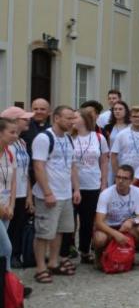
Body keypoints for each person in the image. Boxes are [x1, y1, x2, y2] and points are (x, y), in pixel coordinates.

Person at [31, 105, 80, 283]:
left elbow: (72, 166)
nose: (72, 121)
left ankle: (53, 262)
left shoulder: (68, 138)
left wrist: (76, 189)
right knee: (44, 232)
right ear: (57, 118)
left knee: (59, 230)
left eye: (73, 118)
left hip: (65, 194)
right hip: (49, 194)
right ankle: (40, 268)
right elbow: (38, 166)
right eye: (68, 118)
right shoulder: (44, 138)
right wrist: (47, 193)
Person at [70, 108, 109, 264]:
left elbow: (104, 161)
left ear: (85, 119)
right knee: (70, 221)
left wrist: (104, 183)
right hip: (71, 185)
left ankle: (85, 251)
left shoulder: (99, 138)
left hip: (92, 184)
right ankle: (68, 249)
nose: (72, 120)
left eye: (75, 117)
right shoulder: (69, 138)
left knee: (87, 221)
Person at [92, 165, 139, 268]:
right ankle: (99, 257)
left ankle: (129, 253)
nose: (120, 181)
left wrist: (131, 221)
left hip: (125, 227)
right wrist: (115, 234)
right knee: (100, 238)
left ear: (131, 180)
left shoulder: (138, 192)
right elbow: (99, 222)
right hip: (108, 228)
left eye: (125, 178)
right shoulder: (106, 194)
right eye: (118, 177)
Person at [2, 107, 35, 268]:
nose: (28, 121)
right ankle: (10, 259)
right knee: (8, 233)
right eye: (24, 118)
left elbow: (24, 171)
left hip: (20, 193)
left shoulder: (21, 142)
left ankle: (14, 256)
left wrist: (29, 194)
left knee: (18, 227)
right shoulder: (8, 146)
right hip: (7, 197)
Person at [110, 106, 139, 179]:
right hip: (124, 175)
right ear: (130, 118)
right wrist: (117, 174)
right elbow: (113, 156)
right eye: (134, 116)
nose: (137, 119)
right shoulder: (121, 134)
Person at [0, 117, 18, 271]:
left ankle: (5, 281)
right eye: (11, 132)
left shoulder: (10, 151)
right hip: (1, 207)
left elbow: (13, 181)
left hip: (6, 206)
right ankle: (8, 280)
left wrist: (11, 205)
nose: (15, 136)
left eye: (16, 132)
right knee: (6, 248)